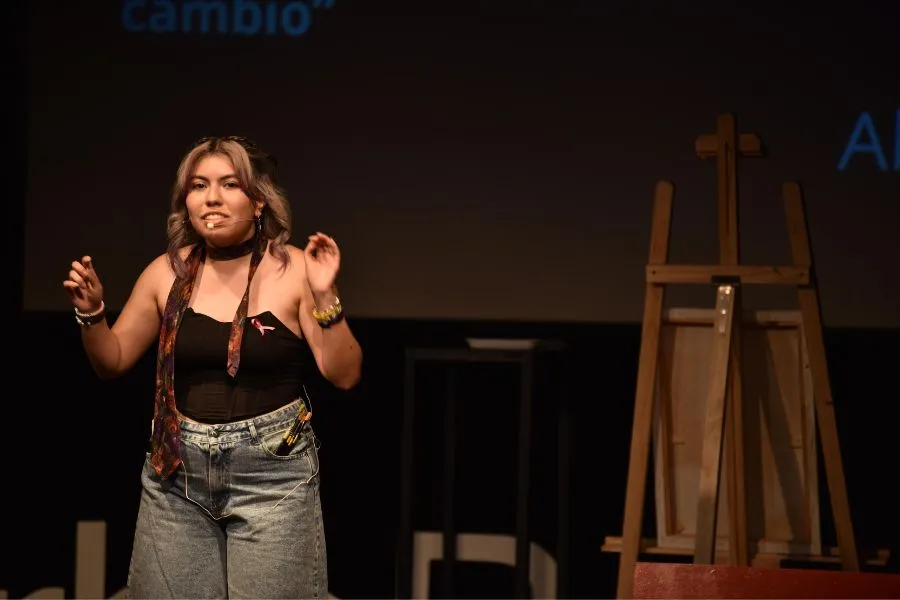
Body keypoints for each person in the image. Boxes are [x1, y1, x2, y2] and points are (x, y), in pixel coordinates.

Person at [62, 135, 363, 599]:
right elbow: (112, 360)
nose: (212, 197)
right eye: (199, 185)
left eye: (229, 184)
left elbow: (344, 373)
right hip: (176, 475)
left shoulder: (295, 269)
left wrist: (326, 297)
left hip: (272, 477)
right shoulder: (168, 272)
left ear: (258, 200)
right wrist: (92, 314)